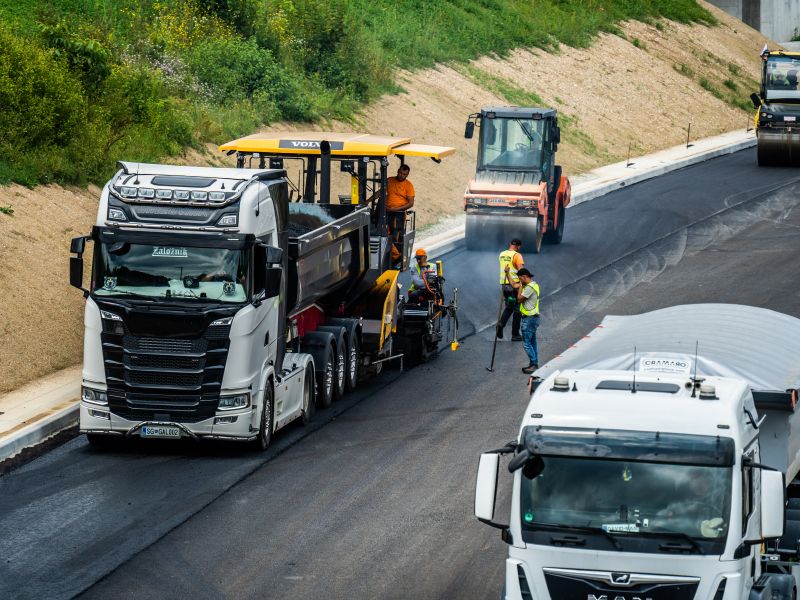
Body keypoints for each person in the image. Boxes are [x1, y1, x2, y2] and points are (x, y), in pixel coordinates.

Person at [505, 266, 540, 373]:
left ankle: (533, 364)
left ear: (524, 277)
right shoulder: (531, 285)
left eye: (520, 279)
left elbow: (519, 299)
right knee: (532, 342)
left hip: (529, 319)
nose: (520, 281)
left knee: (526, 343)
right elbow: (513, 284)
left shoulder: (529, 287)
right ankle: (534, 363)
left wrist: (520, 286)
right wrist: (507, 273)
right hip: (533, 318)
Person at [497, 239, 525, 341]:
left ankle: (500, 324)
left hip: (504, 285)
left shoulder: (502, 254)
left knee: (509, 307)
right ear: (518, 246)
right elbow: (521, 271)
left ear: (510, 244)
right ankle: (515, 334)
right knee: (517, 310)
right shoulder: (517, 255)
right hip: (514, 286)